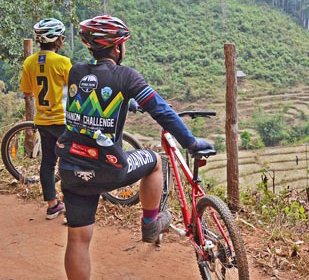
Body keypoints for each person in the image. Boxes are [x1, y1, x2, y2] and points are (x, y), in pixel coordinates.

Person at [55, 15, 214, 280]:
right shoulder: (127, 77)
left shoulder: (76, 71)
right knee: (153, 161)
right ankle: (150, 223)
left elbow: (90, 94)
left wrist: (125, 102)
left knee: (78, 240)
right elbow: (161, 110)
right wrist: (191, 142)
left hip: (72, 167)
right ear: (117, 48)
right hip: (107, 168)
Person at [20, 18, 71, 219]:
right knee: (69, 161)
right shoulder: (63, 62)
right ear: (57, 40)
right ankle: (71, 206)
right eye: (62, 37)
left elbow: (27, 91)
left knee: (48, 162)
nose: (63, 40)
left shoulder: (29, 62)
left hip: (43, 120)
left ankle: (52, 206)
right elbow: (75, 89)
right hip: (62, 120)